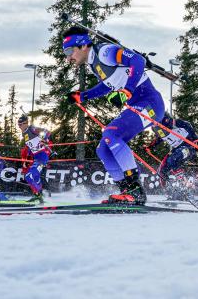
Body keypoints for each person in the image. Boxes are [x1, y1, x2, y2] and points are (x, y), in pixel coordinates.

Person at [65, 25, 165, 205]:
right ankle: (126, 190)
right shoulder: (94, 64)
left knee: (111, 133)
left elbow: (138, 61)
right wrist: (82, 96)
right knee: (103, 148)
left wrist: (127, 90)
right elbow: (108, 85)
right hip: (137, 106)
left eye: (69, 51)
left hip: (150, 103)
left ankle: (135, 190)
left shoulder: (104, 52)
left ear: (83, 45)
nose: (68, 58)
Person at [17, 115, 51, 203]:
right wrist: (27, 159)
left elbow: (47, 132)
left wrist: (44, 140)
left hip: (42, 157)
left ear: (25, 123)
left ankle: (39, 195)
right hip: (36, 158)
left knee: (29, 176)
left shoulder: (31, 129)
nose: (19, 126)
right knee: (35, 177)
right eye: (18, 124)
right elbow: (30, 147)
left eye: (20, 124)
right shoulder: (24, 134)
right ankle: (38, 195)